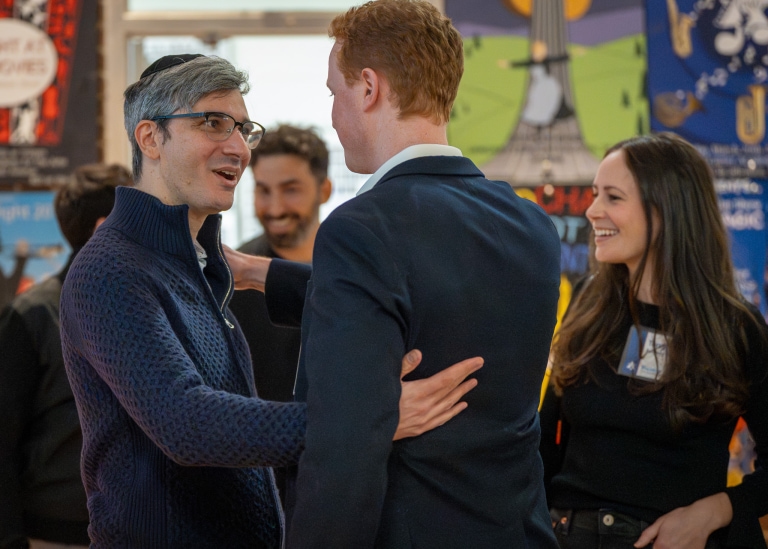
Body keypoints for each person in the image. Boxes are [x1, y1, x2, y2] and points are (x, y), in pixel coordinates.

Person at [60, 53, 482, 548]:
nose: (238, 148)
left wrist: (261, 273)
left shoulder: (198, 260)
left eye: (242, 129)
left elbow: (354, 303)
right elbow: (187, 423)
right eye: (212, 123)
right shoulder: (111, 268)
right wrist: (368, 420)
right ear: (150, 138)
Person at [255, 1, 561, 546]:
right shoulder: (531, 224)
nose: (334, 115)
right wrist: (263, 274)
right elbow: (435, 298)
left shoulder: (361, 227)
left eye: (334, 93)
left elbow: (343, 455)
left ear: (369, 88)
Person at [540, 132, 768, 549]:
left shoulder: (735, 327)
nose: (592, 210)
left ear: (667, 210)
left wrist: (717, 510)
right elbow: (544, 442)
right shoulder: (588, 303)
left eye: (613, 197)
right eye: (595, 194)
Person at [0, 163, 130, 549]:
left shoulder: (148, 308)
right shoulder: (31, 316)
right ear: (104, 229)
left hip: (139, 530)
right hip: (54, 534)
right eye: (141, 218)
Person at [228, 124, 331, 509]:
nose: (274, 209)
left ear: (324, 190)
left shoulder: (354, 272)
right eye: (263, 190)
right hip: (258, 490)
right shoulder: (231, 280)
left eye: (290, 190)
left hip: (339, 478)